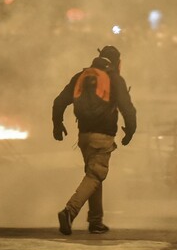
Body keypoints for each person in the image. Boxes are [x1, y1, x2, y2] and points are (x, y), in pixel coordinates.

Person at [52, 45, 137, 235]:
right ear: (117, 62)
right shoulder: (114, 78)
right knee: (95, 175)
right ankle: (69, 212)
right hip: (103, 136)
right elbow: (128, 108)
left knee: (94, 175)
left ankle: (95, 221)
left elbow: (59, 102)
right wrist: (130, 131)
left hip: (83, 136)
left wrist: (57, 126)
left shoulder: (80, 77)